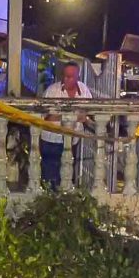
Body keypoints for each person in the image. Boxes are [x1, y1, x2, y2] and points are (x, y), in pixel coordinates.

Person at [38, 59, 93, 188]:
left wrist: (81, 118)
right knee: (50, 177)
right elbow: (44, 117)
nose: (67, 79)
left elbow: (88, 113)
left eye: (70, 77)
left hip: (72, 141)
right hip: (51, 140)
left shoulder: (84, 90)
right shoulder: (52, 91)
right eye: (65, 76)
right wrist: (69, 116)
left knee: (67, 175)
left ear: (77, 77)